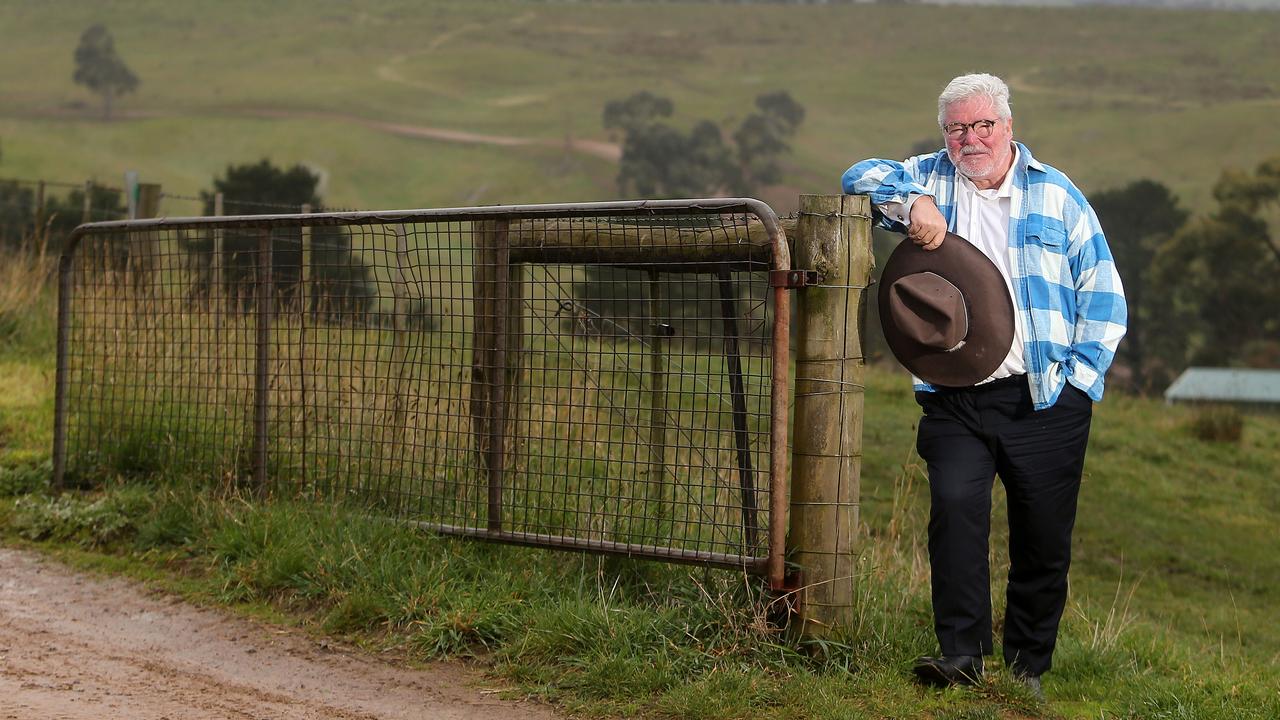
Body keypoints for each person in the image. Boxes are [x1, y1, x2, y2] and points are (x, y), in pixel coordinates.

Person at [842, 73, 1126, 697]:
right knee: (955, 514)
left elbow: (1104, 295)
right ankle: (960, 657)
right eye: (957, 128)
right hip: (953, 401)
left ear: (1008, 126)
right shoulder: (928, 177)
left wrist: (1078, 382)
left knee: (1042, 538)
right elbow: (857, 175)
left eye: (982, 126)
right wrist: (911, 204)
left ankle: (1028, 670)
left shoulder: (1059, 196)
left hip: (1044, 398)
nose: (970, 139)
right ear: (945, 132)